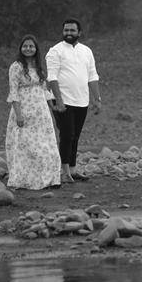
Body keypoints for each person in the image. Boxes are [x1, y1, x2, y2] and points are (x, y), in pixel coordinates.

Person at [46, 18, 101, 183]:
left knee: (75, 135)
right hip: (62, 101)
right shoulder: (55, 51)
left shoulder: (86, 51)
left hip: (82, 100)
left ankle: (73, 169)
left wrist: (97, 99)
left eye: (72, 30)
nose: (68, 33)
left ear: (79, 33)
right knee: (66, 134)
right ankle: (64, 171)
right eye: (66, 30)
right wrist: (59, 100)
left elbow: (92, 75)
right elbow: (52, 77)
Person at [5, 35, 61, 190]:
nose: (28, 49)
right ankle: (24, 179)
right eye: (25, 46)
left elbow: (44, 88)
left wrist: (52, 106)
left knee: (45, 144)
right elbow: (14, 91)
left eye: (31, 46)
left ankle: (50, 178)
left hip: (40, 111)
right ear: (21, 48)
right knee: (25, 145)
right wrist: (18, 114)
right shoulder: (16, 67)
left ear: (36, 49)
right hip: (24, 108)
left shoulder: (38, 66)